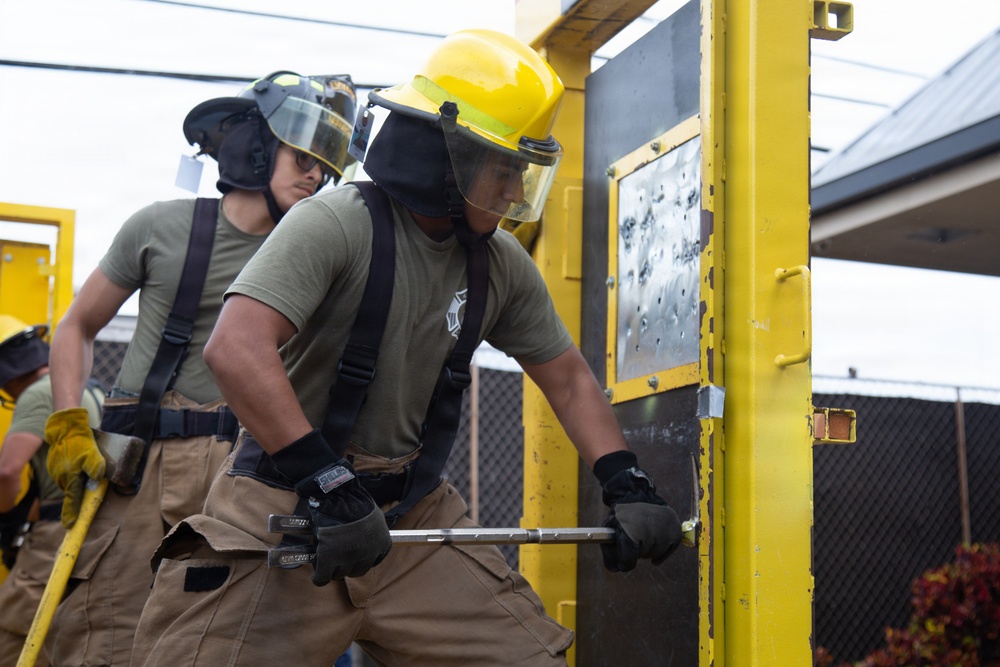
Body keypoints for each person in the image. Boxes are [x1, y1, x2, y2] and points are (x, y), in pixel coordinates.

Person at [131, 30, 683, 667]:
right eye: (504, 167)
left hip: (413, 513)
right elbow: (235, 348)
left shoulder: (500, 262)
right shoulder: (335, 222)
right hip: (287, 505)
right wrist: (327, 481)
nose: (513, 190)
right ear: (446, 158)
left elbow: (566, 377)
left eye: (521, 171)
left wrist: (627, 480)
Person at [42, 71, 358, 666]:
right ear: (256, 146)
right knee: (106, 641)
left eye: (328, 162)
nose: (318, 174)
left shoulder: (328, 254)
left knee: (248, 643)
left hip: (248, 476)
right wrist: (67, 422)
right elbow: (76, 326)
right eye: (303, 155)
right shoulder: (159, 227)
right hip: (137, 468)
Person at [0, 316, 104, 666]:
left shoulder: (35, 394)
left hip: (55, 534)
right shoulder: (86, 387)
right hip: (93, 527)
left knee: (13, 636)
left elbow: (7, 470)